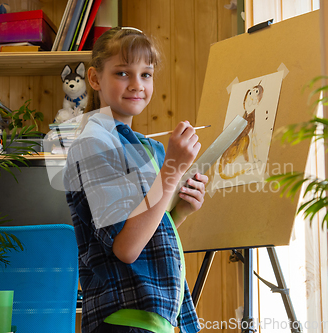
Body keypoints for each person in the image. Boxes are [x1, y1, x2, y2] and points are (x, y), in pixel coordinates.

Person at [63, 27, 208, 333]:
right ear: (94, 79)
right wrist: (172, 169)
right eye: (122, 73)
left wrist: (178, 212)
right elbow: (126, 248)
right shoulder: (92, 146)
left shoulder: (148, 148)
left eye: (146, 74)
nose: (137, 85)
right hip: (123, 320)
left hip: (157, 319)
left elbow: (144, 236)